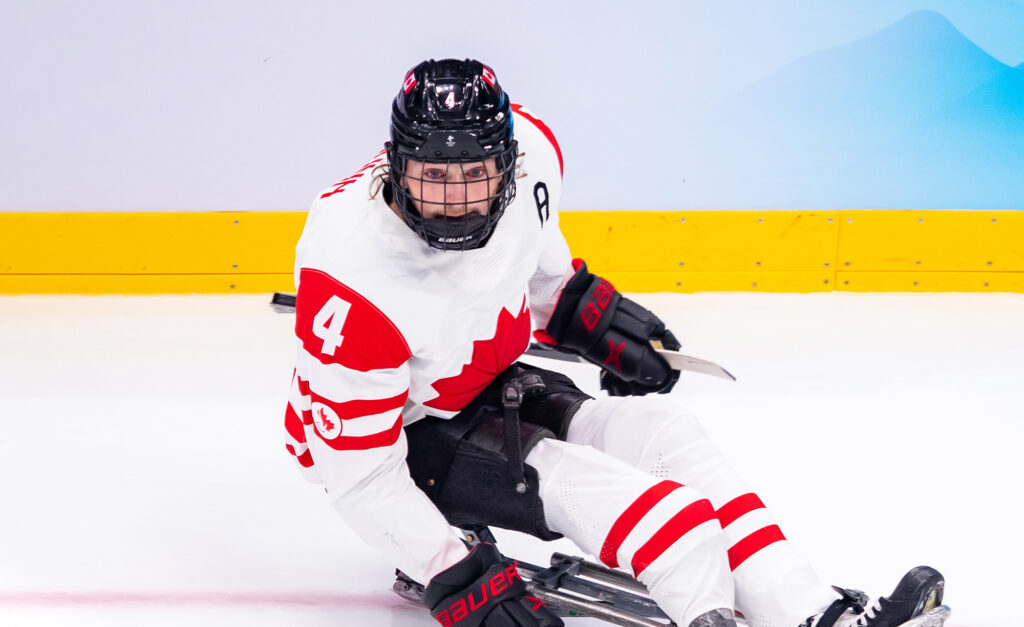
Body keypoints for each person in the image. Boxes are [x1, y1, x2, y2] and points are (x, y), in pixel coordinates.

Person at [283, 59, 948, 627]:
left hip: (483, 380)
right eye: (433, 178)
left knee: (668, 429)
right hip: (406, 434)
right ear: (396, 169)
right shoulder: (351, 266)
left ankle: (813, 611)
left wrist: (591, 319)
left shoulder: (536, 153)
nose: (456, 200)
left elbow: (539, 278)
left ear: (510, 165)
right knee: (675, 527)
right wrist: (447, 568)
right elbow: (358, 469)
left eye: (475, 176)